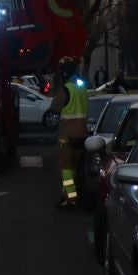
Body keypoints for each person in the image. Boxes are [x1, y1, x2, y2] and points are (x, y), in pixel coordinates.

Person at [54, 58, 90, 209]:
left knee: (66, 168)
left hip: (67, 135)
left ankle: (69, 198)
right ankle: (71, 194)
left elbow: (54, 107)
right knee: (74, 166)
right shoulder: (82, 89)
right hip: (82, 134)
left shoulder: (66, 89)